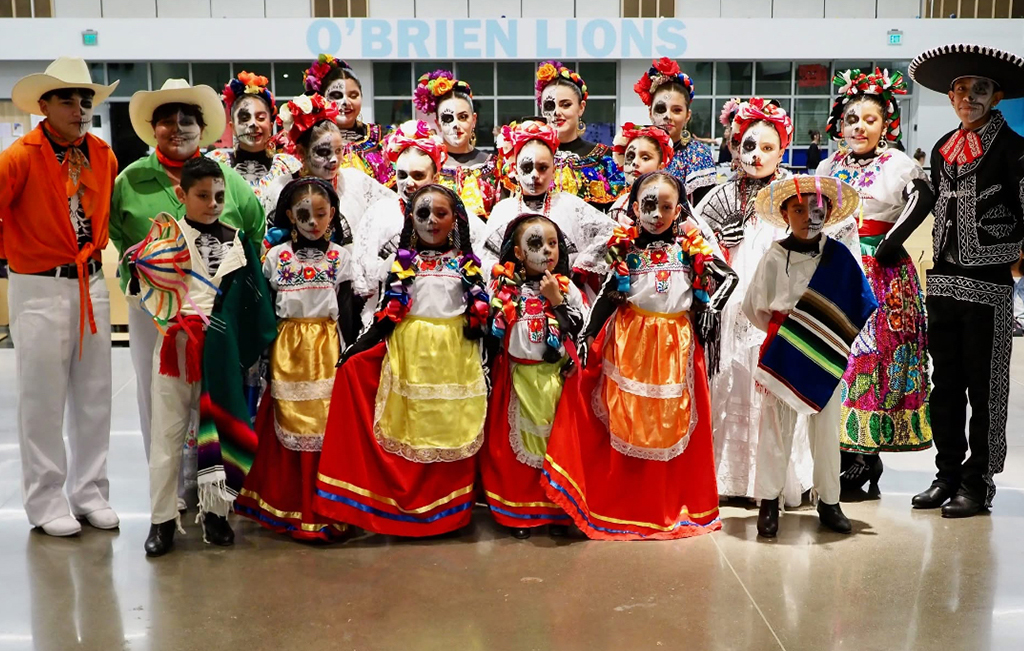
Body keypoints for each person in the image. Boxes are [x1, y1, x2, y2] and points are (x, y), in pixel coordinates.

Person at [541, 171, 737, 540]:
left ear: (679, 211)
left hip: (675, 346)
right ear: (634, 208)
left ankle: (664, 504)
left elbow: (729, 278)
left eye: (666, 207)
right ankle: (622, 502)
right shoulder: (625, 251)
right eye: (649, 205)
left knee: (668, 427)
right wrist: (586, 334)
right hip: (629, 343)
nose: (657, 214)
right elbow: (605, 296)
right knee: (623, 421)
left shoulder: (690, 249)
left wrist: (712, 308)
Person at [110, 79, 265, 515]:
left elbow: (253, 229)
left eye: (186, 121)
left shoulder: (227, 179)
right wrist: (142, 282)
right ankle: (167, 495)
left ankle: (213, 493)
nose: (177, 129)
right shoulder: (130, 180)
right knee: (158, 399)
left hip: (215, 311)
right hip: (156, 311)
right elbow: (119, 237)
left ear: (202, 128)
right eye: (166, 121)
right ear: (153, 127)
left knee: (215, 399)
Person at [313, 185, 491, 537]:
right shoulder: (399, 265)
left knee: (447, 430)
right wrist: (357, 348)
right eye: (422, 213)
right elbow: (386, 315)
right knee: (412, 429)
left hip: (455, 358)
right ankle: (402, 510)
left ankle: (448, 513)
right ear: (410, 218)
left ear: (455, 218)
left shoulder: (468, 266)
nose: (431, 221)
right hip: (409, 356)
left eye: (440, 213)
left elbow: (480, 317)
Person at [128, 158, 276, 556]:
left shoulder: (238, 240)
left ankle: (216, 514)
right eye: (202, 195)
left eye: (219, 196)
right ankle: (162, 521)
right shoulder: (163, 238)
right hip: (176, 351)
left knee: (222, 433)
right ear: (182, 194)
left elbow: (253, 301)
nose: (212, 203)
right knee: (167, 436)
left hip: (221, 352)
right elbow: (143, 293)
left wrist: (236, 345)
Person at [0, 57, 120, 536]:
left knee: (95, 395)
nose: (79, 107)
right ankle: (46, 499)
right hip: (38, 286)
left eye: (84, 98)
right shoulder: (19, 156)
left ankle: (91, 491)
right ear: (44, 104)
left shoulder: (102, 154)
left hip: (90, 281)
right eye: (67, 99)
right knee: (42, 399)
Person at [908, 44, 1024, 518]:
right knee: (946, 385)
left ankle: (979, 482)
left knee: (986, 385)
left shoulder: (1016, 149)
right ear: (951, 97)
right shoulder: (941, 148)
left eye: (980, 89)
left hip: (991, 283)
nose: (968, 98)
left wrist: (1019, 263)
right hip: (944, 282)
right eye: (961, 89)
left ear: (996, 96)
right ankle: (947, 473)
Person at [818, 67, 935, 493]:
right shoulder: (829, 164)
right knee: (840, 357)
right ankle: (844, 451)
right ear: (839, 126)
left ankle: (868, 456)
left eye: (870, 119)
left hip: (881, 271)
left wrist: (891, 240)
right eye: (852, 119)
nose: (860, 127)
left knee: (876, 358)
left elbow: (923, 196)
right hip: (839, 266)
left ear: (886, 124)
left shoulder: (896, 163)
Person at [745, 175, 876, 538]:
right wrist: (788, 329)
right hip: (784, 348)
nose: (807, 217)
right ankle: (769, 501)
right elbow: (755, 306)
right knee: (776, 427)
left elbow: (857, 302)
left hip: (825, 351)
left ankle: (829, 501)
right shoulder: (774, 255)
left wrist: (822, 332)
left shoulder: (840, 257)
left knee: (826, 430)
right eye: (799, 210)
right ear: (785, 213)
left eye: (816, 209)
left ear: (829, 212)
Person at [235, 178, 360, 541]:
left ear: (332, 215)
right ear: (289, 215)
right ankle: (292, 507)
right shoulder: (276, 258)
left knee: (325, 429)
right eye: (304, 214)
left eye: (321, 214)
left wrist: (352, 352)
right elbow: (263, 311)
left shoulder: (340, 257)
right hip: (287, 347)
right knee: (287, 424)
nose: (313, 222)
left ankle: (325, 509)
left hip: (327, 347)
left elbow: (349, 309)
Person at [693, 98, 799, 501]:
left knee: (766, 383)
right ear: (735, 147)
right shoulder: (720, 195)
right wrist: (720, 242)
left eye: (767, 148)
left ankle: (768, 480)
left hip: (774, 301)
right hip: (730, 301)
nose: (756, 155)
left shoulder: (792, 194)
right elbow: (697, 245)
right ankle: (726, 477)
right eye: (748, 146)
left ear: (782, 150)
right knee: (729, 378)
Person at [479, 214, 586, 540]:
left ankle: (556, 509)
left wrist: (556, 301)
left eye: (552, 244)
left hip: (553, 381)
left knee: (551, 447)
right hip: (515, 380)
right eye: (536, 245)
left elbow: (576, 329)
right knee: (515, 452)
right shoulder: (503, 289)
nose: (546, 252)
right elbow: (491, 332)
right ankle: (521, 512)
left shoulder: (568, 290)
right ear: (518, 253)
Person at [481, 119, 616, 291]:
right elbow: (485, 259)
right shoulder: (503, 210)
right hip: (513, 302)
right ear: (514, 169)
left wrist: (583, 263)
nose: (534, 176)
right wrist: (496, 269)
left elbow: (612, 233)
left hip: (564, 296)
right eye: (527, 167)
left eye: (542, 168)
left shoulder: (570, 205)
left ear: (554, 169)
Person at [266, 93, 394, 243]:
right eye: (323, 152)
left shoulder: (356, 181)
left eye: (339, 150)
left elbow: (394, 208)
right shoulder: (280, 188)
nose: (334, 159)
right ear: (301, 152)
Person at [505, 62, 621, 208]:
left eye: (565, 105)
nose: (556, 113)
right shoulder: (522, 156)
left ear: (581, 107)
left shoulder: (604, 159)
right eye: (549, 106)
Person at [208, 71, 302, 218]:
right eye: (245, 118)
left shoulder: (289, 167)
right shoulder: (214, 163)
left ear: (271, 126)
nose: (253, 124)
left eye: (260, 118)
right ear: (232, 127)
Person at [415, 70, 500, 220]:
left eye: (463, 117)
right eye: (448, 118)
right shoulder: (428, 166)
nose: (456, 125)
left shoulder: (494, 166)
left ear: (474, 120)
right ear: (438, 124)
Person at [634, 58, 717, 206]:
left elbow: (705, 211)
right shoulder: (636, 151)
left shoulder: (698, 154)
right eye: (661, 109)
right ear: (650, 113)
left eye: (676, 110)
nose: (668, 116)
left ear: (687, 116)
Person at [302, 54, 393, 188]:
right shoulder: (308, 140)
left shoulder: (384, 138)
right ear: (321, 99)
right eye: (336, 96)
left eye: (353, 95)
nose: (345, 102)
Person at [608, 123, 675, 224]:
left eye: (645, 158)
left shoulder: (673, 200)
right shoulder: (619, 206)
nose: (635, 163)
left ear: (660, 167)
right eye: (630, 157)